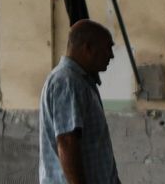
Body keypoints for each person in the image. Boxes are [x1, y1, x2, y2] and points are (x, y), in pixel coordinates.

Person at [39, 19, 121, 184]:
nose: (111, 55)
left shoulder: (80, 81)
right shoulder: (67, 81)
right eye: (108, 47)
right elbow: (67, 142)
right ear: (88, 48)